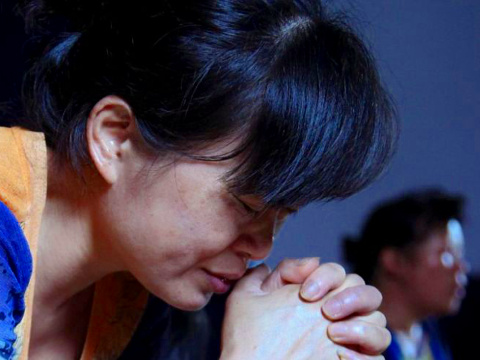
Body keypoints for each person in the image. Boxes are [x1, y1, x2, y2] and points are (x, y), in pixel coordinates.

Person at [0, 0, 398, 358]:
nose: (263, 247)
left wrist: (321, 332)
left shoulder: (137, 294)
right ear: (115, 138)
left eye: (284, 213)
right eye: (247, 204)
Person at [344, 189, 468, 360]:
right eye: (446, 254)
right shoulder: (352, 339)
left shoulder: (434, 340)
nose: (461, 267)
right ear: (393, 260)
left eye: (459, 255)